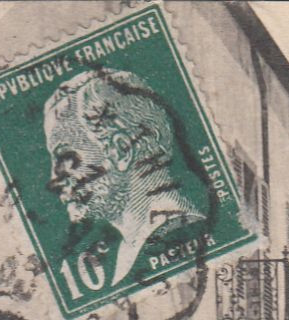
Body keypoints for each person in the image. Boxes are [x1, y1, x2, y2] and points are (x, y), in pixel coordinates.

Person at [43, 68, 207, 287]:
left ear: (121, 151)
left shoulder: (179, 232)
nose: (54, 179)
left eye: (65, 156)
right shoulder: (131, 248)